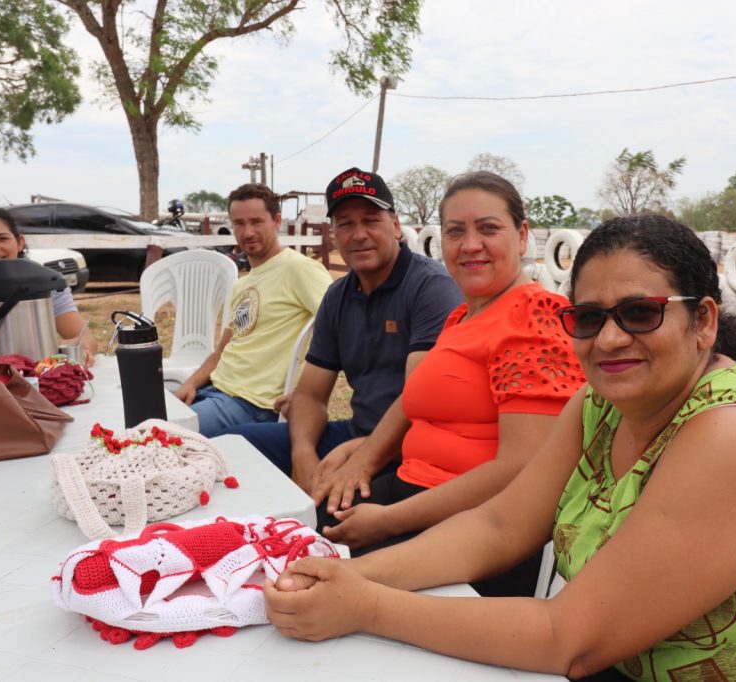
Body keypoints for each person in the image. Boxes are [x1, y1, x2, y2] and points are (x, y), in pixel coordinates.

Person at [265, 216, 736, 681]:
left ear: (704, 321)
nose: (607, 339)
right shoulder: (599, 406)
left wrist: (366, 606)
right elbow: (498, 527)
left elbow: (568, 641)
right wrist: (350, 575)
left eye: (640, 313)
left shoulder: (733, 438)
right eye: (586, 317)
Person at [309, 171, 586, 597]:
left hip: (477, 530)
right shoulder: (462, 318)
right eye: (456, 231)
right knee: (303, 531)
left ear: (522, 235)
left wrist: (390, 519)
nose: (470, 244)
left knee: (322, 587)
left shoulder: (535, 317)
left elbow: (521, 467)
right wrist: (361, 457)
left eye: (489, 228)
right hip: (409, 492)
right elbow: (412, 401)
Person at [218, 167, 463, 491]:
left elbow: (419, 399)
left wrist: (361, 460)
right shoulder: (339, 296)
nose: (358, 234)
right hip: (354, 433)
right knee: (231, 447)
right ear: (333, 234)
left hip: (415, 448)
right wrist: (303, 456)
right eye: (346, 224)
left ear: (395, 225)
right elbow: (310, 394)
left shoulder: (430, 288)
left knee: (334, 516)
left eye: (371, 220)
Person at [174, 183, 332, 437]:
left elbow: (342, 327)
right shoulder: (242, 285)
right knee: (144, 416)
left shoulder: (299, 269)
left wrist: (306, 394)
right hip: (214, 390)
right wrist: (191, 383)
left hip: (252, 404)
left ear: (277, 221)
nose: (247, 232)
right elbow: (222, 350)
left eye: (257, 222)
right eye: (239, 223)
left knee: (161, 433)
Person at [0, 207, 99, 370]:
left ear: (19, 243)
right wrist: (43, 355)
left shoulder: (46, 283)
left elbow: (86, 338)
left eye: (2, 238)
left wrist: (80, 346)